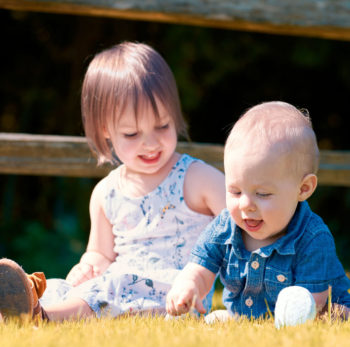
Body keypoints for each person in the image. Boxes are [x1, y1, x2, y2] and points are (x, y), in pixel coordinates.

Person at [0, 42, 226, 321]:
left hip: (174, 294)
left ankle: (42, 317)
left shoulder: (195, 178)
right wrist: (88, 267)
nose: (151, 143)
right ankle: (22, 306)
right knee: (63, 287)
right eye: (131, 133)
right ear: (106, 130)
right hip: (120, 289)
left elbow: (238, 221)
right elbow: (100, 254)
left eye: (163, 126)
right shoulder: (106, 193)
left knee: (112, 286)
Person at [166, 101, 350, 323]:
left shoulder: (312, 237)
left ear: (303, 189)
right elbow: (200, 268)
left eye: (262, 194)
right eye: (235, 191)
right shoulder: (225, 227)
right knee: (218, 320)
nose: (245, 205)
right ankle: (240, 318)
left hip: (317, 306)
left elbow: (312, 301)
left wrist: (292, 318)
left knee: (335, 316)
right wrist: (189, 284)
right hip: (250, 315)